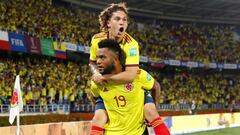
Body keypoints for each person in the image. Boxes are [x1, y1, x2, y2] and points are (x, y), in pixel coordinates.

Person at [90, 39, 170, 135]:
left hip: (138, 132)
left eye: (102, 58)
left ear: (115, 59)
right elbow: (94, 96)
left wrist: (154, 108)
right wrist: (102, 112)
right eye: (97, 57)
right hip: (112, 132)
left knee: (151, 111)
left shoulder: (138, 75)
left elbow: (156, 86)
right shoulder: (97, 82)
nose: (98, 61)